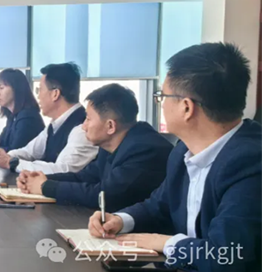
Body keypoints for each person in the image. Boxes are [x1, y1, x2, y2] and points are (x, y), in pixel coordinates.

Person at [90, 43, 262, 272]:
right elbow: (158, 205)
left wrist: (164, 243)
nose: (161, 103)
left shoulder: (251, 162)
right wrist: (120, 220)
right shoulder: (183, 151)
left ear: (186, 107)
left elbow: (226, 257)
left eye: (162, 96)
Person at [18, 84, 172, 211]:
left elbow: (103, 196)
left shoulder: (144, 150)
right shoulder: (110, 145)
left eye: (88, 119)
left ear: (110, 126)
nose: (83, 126)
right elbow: (84, 177)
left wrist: (45, 187)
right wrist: (39, 178)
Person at [0, 63, 98, 175]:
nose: (38, 96)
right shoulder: (54, 125)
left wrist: (11, 162)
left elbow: (62, 170)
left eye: (40, 90)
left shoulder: (82, 129)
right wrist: (3, 157)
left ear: (55, 94)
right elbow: (29, 152)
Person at [0, 69, 45, 152]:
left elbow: (15, 151)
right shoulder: (13, 116)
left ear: (17, 89)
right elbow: (0, 142)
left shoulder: (28, 117)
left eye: (1, 88)